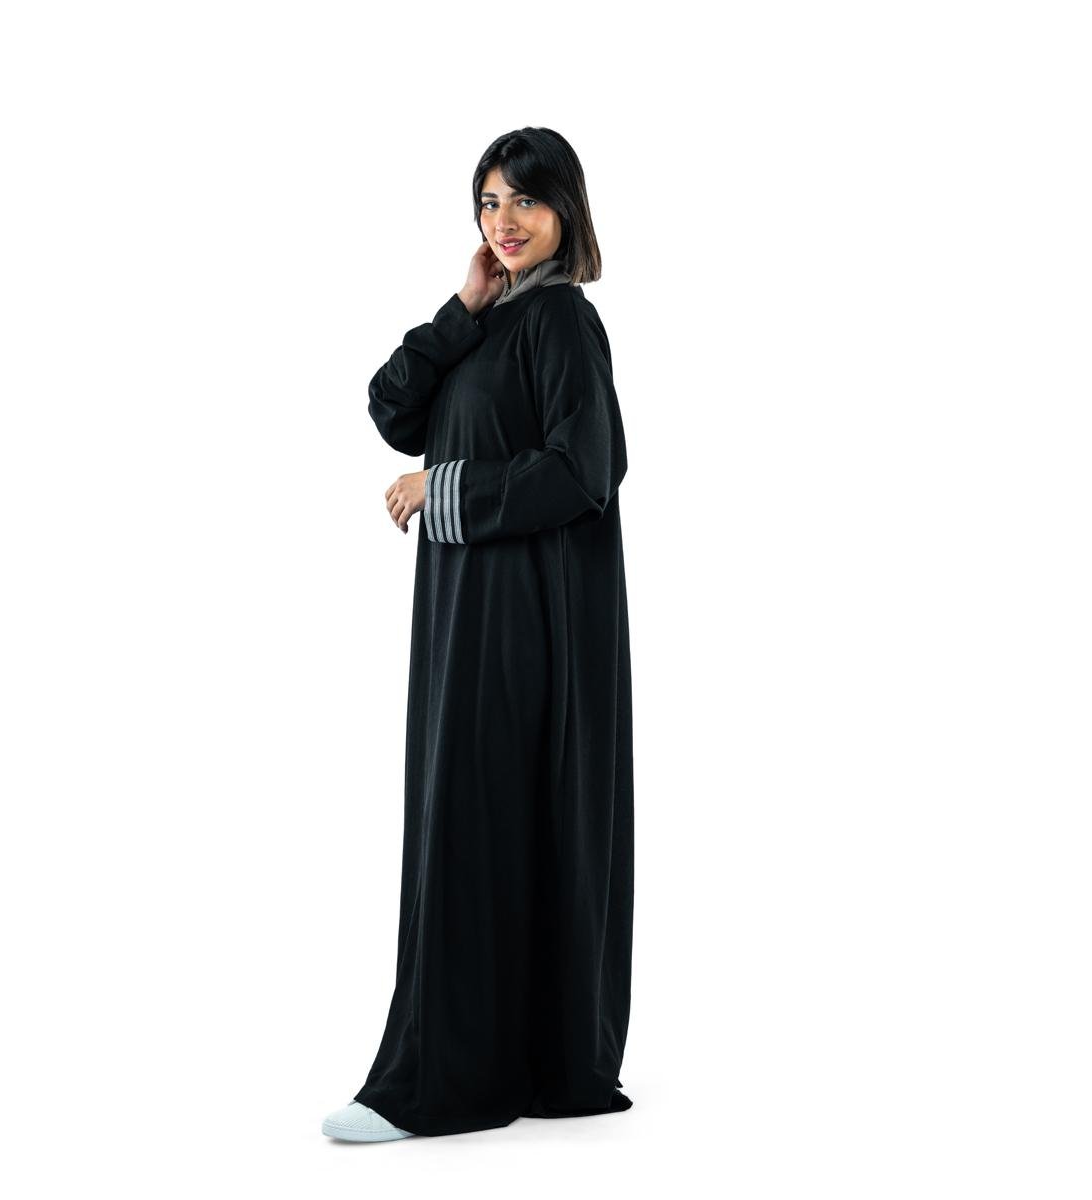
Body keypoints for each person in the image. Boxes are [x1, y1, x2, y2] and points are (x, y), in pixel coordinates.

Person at [322, 127, 634, 1142]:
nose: (505, 221)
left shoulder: (564, 323)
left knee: (480, 814)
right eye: (490, 201)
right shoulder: (492, 323)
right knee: (473, 812)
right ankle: (502, 1057)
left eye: (525, 201)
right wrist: (460, 309)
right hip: (468, 614)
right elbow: (390, 404)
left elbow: (584, 471)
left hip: (530, 620)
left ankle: (445, 1082)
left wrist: (440, 488)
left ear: (566, 212)